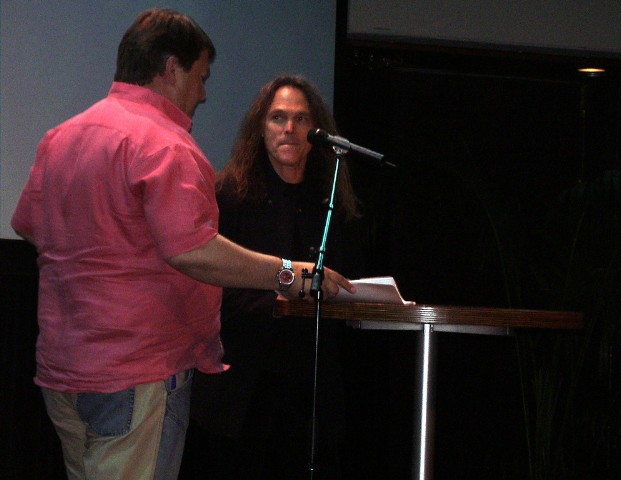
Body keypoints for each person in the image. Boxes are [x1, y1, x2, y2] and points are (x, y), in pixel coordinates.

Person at [10, 11, 353, 480]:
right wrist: (289, 273)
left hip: (63, 372)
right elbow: (193, 250)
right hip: (138, 373)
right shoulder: (167, 145)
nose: (204, 93)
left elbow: (30, 225)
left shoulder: (61, 138)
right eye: (201, 77)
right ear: (172, 69)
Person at [185, 74, 368, 480]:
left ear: (317, 132)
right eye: (278, 118)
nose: (289, 129)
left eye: (301, 120)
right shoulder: (229, 194)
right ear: (260, 128)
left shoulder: (331, 202)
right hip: (242, 389)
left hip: (312, 391)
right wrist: (279, 299)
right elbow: (208, 283)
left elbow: (346, 282)